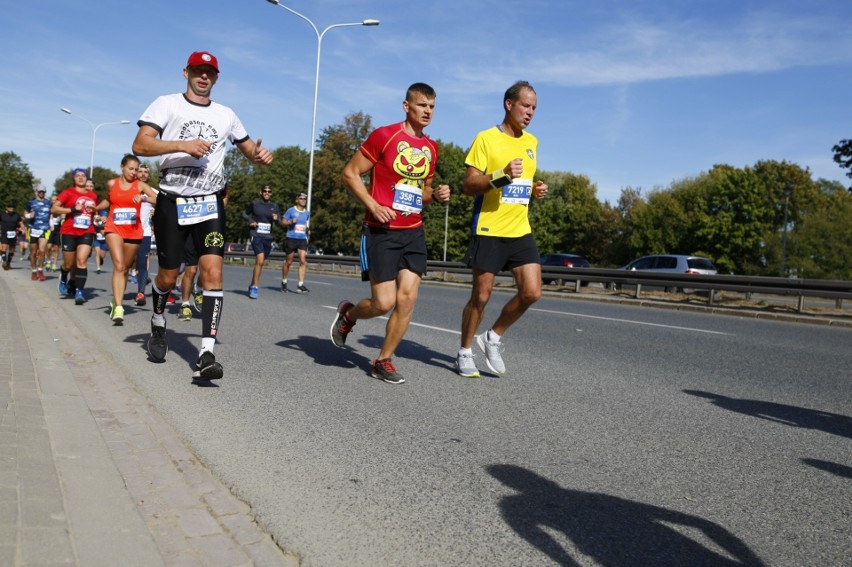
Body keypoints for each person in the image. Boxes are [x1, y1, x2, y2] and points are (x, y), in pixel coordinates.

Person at [131, 50, 273, 381]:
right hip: (172, 202)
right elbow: (140, 144)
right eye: (198, 70)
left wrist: (258, 155)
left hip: (209, 205)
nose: (203, 76)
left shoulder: (227, 114)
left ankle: (206, 353)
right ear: (186, 72)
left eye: (209, 72)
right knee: (168, 277)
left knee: (212, 271)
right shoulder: (167, 104)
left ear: (217, 78)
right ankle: (158, 320)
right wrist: (183, 145)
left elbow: (248, 148)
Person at [332, 82, 451, 384]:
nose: (428, 111)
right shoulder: (384, 136)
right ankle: (349, 315)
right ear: (406, 106)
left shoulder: (431, 148)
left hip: (413, 231)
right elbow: (350, 173)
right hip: (380, 232)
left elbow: (420, 192)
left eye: (432, 106)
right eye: (422, 105)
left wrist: (434, 196)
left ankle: (382, 360)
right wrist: (372, 205)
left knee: (407, 299)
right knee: (383, 303)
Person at [455, 81, 550, 378]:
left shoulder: (532, 142)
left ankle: (492, 338)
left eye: (534, 107)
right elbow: (469, 185)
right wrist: (502, 175)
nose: (530, 112)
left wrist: (535, 188)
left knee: (532, 292)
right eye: (525, 105)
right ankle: (465, 351)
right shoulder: (486, 138)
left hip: (520, 228)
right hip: (489, 227)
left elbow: (521, 182)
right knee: (481, 297)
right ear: (509, 104)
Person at [96, 154, 157, 323]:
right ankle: (119, 306)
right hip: (113, 228)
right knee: (119, 264)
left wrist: (144, 197)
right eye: (131, 168)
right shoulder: (111, 183)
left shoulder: (140, 185)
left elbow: (158, 199)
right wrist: (96, 208)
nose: (134, 172)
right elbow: (109, 200)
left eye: (136, 169)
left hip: (133, 230)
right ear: (122, 167)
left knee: (124, 269)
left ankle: (116, 301)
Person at [51, 168, 99, 304]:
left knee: (81, 262)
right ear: (74, 179)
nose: (80, 178)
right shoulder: (68, 193)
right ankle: (64, 275)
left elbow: (94, 214)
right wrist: (72, 209)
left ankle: (79, 292)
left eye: (83, 175)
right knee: (68, 264)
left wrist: (98, 218)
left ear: (86, 178)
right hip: (69, 231)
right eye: (77, 176)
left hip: (87, 231)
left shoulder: (93, 195)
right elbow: (54, 208)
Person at [242, 184, 281, 299]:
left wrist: (277, 219)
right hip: (256, 234)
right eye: (265, 191)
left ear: (271, 193)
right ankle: (255, 287)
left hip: (268, 237)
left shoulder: (275, 206)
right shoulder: (255, 204)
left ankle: (251, 284)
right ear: (261, 192)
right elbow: (244, 213)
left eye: (269, 191)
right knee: (259, 260)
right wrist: (250, 221)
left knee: (260, 262)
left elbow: (279, 222)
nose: (267, 193)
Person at [134, 163, 157, 306]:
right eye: (140, 171)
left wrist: (144, 198)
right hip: (127, 233)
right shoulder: (128, 189)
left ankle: (141, 292)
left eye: (145, 172)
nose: (143, 174)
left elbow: (160, 201)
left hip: (145, 232)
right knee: (125, 264)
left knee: (142, 264)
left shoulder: (153, 191)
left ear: (148, 175)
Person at [280, 192, 310, 293]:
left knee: (303, 261)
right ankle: (284, 282)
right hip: (291, 238)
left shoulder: (307, 213)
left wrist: (308, 230)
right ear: (297, 200)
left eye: (305, 199)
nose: (303, 200)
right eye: (301, 198)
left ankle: (300, 284)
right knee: (289, 262)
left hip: (302, 239)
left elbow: (304, 224)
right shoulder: (291, 210)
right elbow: (283, 222)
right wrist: (290, 222)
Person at [24, 188, 52, 281]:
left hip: (44, 228)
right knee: (33, 252)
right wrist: (28, 216)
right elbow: (25, 213)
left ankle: (40, 270)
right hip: (33, 228)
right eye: (40, 192)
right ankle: (33, 271)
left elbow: (51, 213)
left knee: (42, 250)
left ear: (45, 192)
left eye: (43, 192)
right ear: (37, 192)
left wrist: (51, 223)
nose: (41, 193)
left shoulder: (49, 202)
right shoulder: (31, 202)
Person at [0, 203, 24, 270]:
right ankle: (4, 261)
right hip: (4, 232)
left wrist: (23, 229)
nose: (12, 208)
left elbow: (21, 223)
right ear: (6, 208)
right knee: (4, 247)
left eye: (13, 207)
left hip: (13, 233)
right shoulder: (2, 214)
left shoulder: (16, 215)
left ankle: (8, 262)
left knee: (12, 249)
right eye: (10, 207)